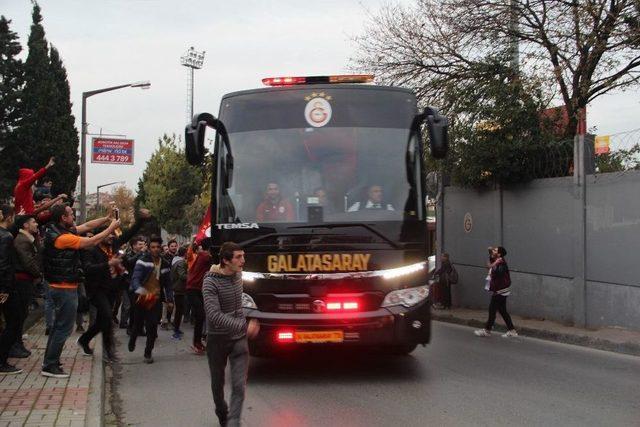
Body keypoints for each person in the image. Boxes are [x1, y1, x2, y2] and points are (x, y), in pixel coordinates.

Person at [41, 204, 120, 378]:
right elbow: (91, 241)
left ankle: (49, 360)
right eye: (70, 214)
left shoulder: (58, 230)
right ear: (63, 217)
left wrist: (106, 219)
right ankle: (50, 365)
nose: (74, 217)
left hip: (60, 286)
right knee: (63, 328)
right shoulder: (62, 238)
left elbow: (87, 226)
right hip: (64, 287)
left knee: (57, 327)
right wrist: (111, 228)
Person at [77, 209, 151, 362]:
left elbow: (129, 234)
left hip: (113, 288)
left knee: (103, 320)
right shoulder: (90, 250)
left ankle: (84, 340)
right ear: (101, 235)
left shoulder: (115, 244)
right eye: (108, 234)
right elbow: (88, 269)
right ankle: (108, 351)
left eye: (112, 234)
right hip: (97, 290)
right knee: (107, 317)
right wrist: (108, 263)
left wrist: (141, 220)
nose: (111, 237)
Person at [203, 242, 259, 427]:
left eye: (243, 256)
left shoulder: (238, 275)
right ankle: (221, 410)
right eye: (238, 257)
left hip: (238, 341)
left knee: (238, 385)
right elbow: (214, 315)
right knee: (217, 384)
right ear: (226, 260)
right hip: (217, 339)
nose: (243, 260)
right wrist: (243, 327)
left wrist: (251, 317)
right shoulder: (210, 281)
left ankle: (233, 421)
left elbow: (240, 304)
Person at [129, 235, 174, 364]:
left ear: (161, 248)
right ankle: (133, 337)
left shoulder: (165, 263)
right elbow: (135, 278)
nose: (155, 249)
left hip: (156, 299)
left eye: (157, 247)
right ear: (149, 248)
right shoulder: (142, 261)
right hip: (142, 297)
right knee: (137, 323)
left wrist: (170, 300)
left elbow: (168, 284)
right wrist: (140, 290)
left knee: (152, 326)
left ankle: (148, 352)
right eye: (152, 247)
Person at [12, 215, 43, 358]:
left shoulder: (29, 239)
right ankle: (14, 344)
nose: (36, 224)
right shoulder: (22, 241)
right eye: (33, 222)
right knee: (19, 314)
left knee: (23, 313)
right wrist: (38, 274)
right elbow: (28, 262)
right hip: (21, 281)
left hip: (27, 281)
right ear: (25, 225)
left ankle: (17, 343)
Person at [475, 246, 518, 338]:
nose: (493, 251)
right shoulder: (497, 261)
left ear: (499, 254)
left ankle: (487, 330)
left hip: (500, 290)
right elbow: (491, 263)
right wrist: (491, 254)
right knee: (502, 311)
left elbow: (498, 273)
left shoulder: (500, 263)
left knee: (492, 310)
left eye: (495, 250)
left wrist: (493, 267)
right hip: (501, 290)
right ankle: (512, 330)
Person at [0, 204, 23, 375]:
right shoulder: (6, 237)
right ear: (9, 217)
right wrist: (5, 289)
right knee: (14, 321)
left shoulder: (6, 234)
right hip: (6, 287)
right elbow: (4, 265)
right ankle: (2, 360)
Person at [186, 238, 213, 354]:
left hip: (199, 289)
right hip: (192, 288)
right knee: (200, 314)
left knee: (201, 315)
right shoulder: (204, 255)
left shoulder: (203, 255)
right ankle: (196, 343)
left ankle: (198, 341)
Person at [170, 245, 188, 340]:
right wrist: (191, 276)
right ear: (185, 253)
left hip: (178, 288)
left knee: (179, 310)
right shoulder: (181, 263)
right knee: (179, 310)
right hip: (179, 289)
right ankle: (176, 329)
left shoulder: (176, 261)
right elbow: (182, 276)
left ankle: (176, 328)